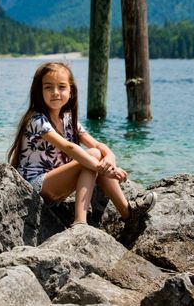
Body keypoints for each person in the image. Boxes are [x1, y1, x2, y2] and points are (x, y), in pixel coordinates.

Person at [8, 61, 156, 226]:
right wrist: (106, 170)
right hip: (36, 187)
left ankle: (128, 213)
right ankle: (80, 222)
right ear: (39, 91)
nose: (55, 92)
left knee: (96, 154)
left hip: (55, 186)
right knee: (91, 157)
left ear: (71, 91)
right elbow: (68, 147)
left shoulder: (68, 119)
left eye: (62, 87)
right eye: (48, 87)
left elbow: (96, 144)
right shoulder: (36, 120)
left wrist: (110, 159)